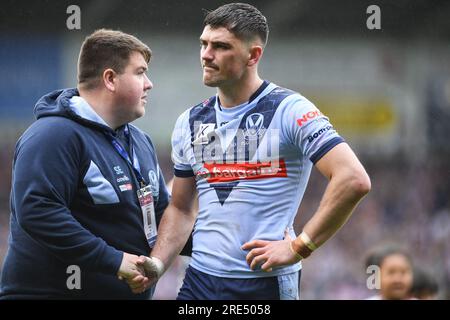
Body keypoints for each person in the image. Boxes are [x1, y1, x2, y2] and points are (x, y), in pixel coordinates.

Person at [130, 3, 371, 299]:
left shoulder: (289, 110)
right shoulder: (190, 121)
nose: (206, 55)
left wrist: (301, 246)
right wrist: (157, 262)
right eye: (204, 44)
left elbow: (353, 179)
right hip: (200, 282)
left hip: (263, 285)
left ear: (253, 55)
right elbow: (181, 208)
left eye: (220, 47)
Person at [0, 29, 169, 299]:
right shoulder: (53, 135)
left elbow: (163, 217)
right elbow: (38, 210)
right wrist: (112, 260)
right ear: (110, 79)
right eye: (139, 72)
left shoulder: (141, 141)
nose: (149, 84)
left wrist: (232, 245)